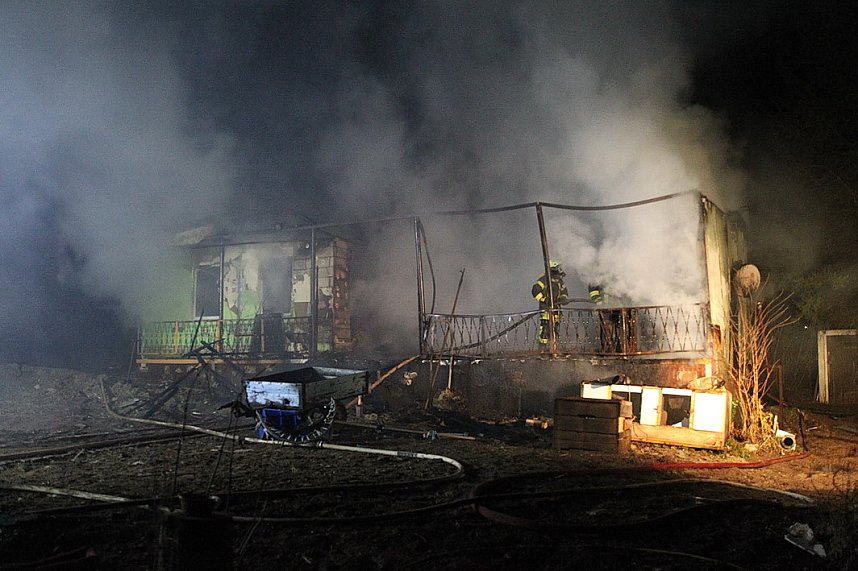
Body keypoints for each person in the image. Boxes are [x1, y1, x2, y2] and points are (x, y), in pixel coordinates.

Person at [532, 261, 569, 345]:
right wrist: (545, 299)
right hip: (546, 310)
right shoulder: (544, 279)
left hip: (556, 310)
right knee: (545, 330)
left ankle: (554, 349)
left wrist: (564, 298)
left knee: (555, 331)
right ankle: (543, 349)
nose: (560, 269)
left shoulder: (559, 280)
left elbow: (564, 292)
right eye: (558, 267)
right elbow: (535, 290)